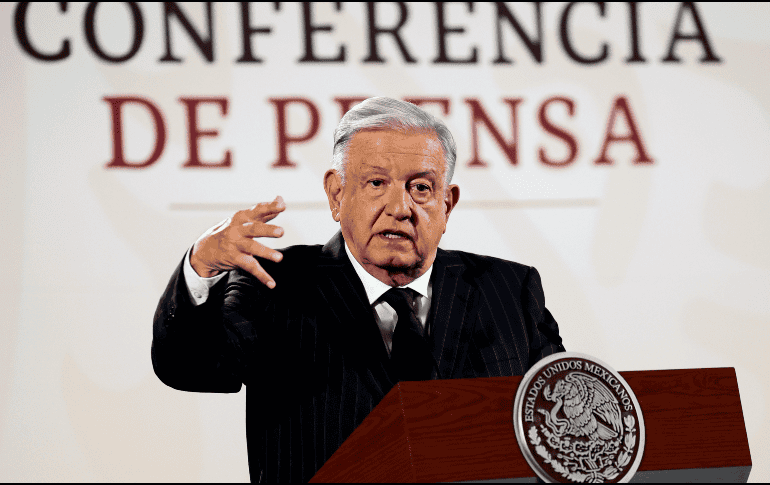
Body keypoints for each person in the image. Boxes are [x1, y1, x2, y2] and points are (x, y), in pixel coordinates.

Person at [152, 97, 564, 482]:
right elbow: (189, 368)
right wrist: (201, 266)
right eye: (376, 183)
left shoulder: (510, 290)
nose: (399, 208)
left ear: (447, 204)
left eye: (421, 188)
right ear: (337, 195)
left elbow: (563, 426)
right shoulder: (274, 285)